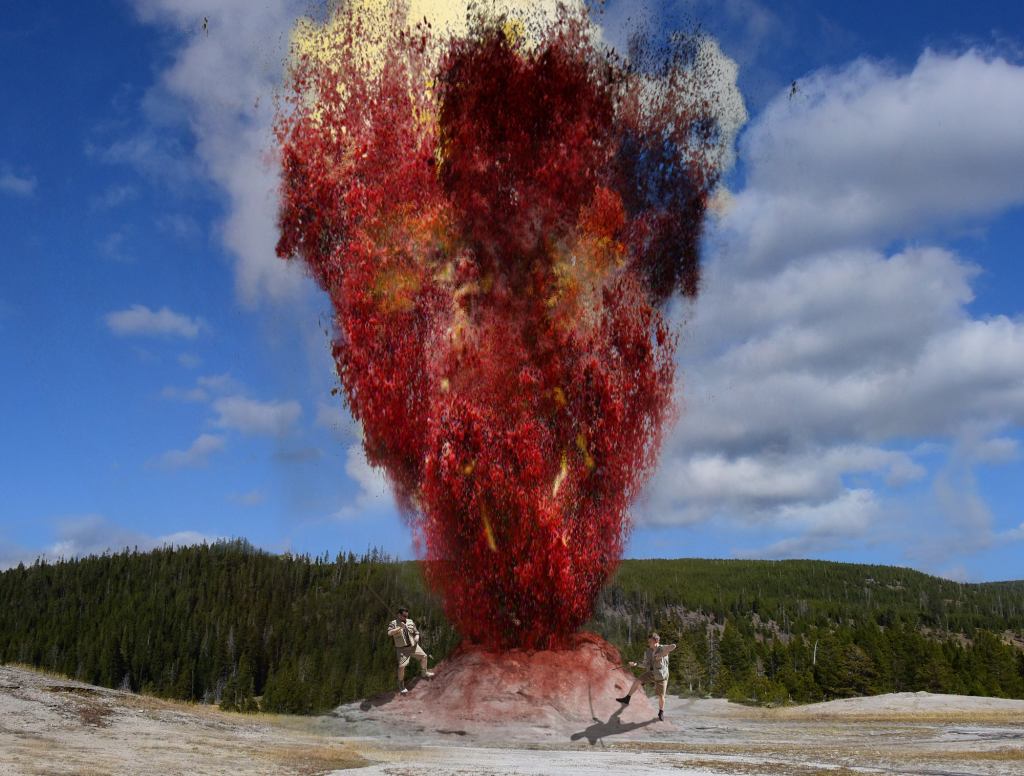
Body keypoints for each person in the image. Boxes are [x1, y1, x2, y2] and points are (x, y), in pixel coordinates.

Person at [615, 631, 677, 721]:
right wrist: (635, 664)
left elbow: (673, 646)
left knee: (661, 696)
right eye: (648, 642)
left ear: (656, 641)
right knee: (637, 681)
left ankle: (661, 712)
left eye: (650, 642)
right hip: (651, 673)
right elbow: (644, 664)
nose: (648, 643)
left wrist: (660, 655)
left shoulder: (662, 648)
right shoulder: (648, 651)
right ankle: (627, 698)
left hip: (661, 675)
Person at [387, 605, 434, 694]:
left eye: (407, 616)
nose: (406, 618)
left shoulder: (410, 622)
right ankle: (401, 684)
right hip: (402, 649)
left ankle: (424, 673)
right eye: (404, 616)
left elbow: (416, 632)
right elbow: (389, 633)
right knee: (401, 666)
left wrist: (417, 637)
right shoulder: (393, 623)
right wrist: (399, 627)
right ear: (399, 615)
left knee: (424, 656)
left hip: (413, 645)